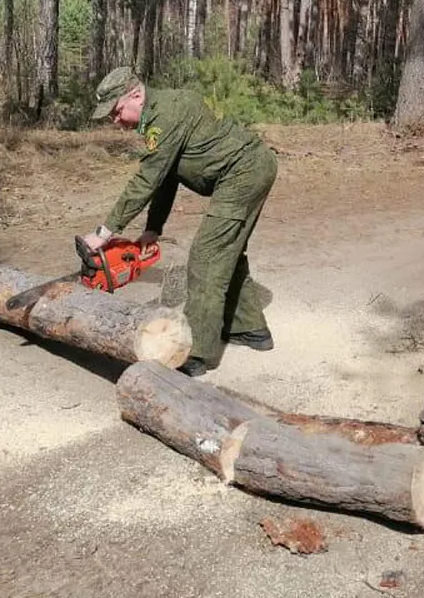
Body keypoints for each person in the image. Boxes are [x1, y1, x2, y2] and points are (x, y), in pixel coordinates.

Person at [81, 67, 277, 377]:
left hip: (243, 173)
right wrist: (152, 229)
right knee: (225, 253)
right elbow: (165, 179)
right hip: (247, 171)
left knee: (206, 258)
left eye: (116, 112)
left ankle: (197, 353)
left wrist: (104, 233)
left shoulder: (166, 115)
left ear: (135, 95)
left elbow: (146, 179)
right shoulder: (157, 116)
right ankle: (249, 327)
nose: (115, 121)